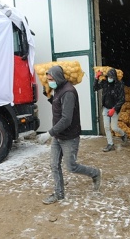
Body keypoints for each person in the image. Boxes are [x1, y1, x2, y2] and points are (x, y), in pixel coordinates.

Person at [42, 65, 102, 204]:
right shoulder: (58, 89)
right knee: (54, 165)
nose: (49, 81)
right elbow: (58, 107)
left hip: (69, 137)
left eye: (51, 79)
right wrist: (50, 98)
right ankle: (59, 194)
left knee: (71, 166)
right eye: (48, 79)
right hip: (58, 136)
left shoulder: (68, 92)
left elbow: (66, 119)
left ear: (57, 77)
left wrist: (49, 133)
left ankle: (95, 173)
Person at [93, 68, 128, 152]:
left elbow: (122, 99)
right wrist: (96, 78)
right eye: (108, 76)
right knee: (106, 127)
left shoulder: (119, 85)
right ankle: (110, 144)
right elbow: (95, 88)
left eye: (111, 77)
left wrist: (114, 109)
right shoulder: (105, 83)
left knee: (114, 127)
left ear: (115, 77)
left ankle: (123, 134)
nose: (110, 78)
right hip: (106, 108)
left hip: (114, 109)